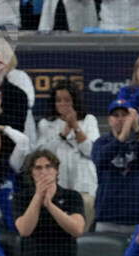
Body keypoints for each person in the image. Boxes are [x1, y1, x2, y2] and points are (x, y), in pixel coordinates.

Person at [15, 149, 87, 256]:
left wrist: (49, 204)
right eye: (38, 168)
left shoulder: (72, 196)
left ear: (56, 170)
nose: (44, 172)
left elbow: (77, 229)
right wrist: (38, 197)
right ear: (31, 172)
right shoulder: (21, 198)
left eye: (48, 167)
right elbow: (24, 229)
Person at [35, 80, 98, 223]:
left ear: (74, 101)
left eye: (67, 100)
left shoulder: (89, 120)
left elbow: (91, 151)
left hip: (83, 183)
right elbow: (42, 155)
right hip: (57, 184)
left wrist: (76, 127)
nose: (62, 104)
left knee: (83, 225)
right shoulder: (45, 124)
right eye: (58, 100)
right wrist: (62, 135)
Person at [91, 100, 139, 232]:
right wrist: (122, 138)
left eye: (124, 115)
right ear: (109, 120)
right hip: (108, 217)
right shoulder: (101, 143)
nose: (120, 119)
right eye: (116, 115)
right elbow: (100, 159)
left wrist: (137, 129)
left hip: (138, 218)